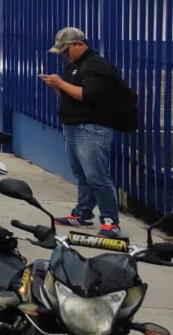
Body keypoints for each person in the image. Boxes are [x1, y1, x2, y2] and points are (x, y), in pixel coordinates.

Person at [39, 27, 128, 239]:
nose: (64, 55)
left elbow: (88, 95)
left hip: (91, 128)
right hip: (74, 125)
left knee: (97, 176)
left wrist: (60, 83)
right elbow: (72, 92)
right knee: (82, 174)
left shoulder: (97, 66)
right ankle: (82, 212)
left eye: (66, 50)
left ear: (79, 44)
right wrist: (58, 86)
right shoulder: (75, 65)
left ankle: (110, 220)